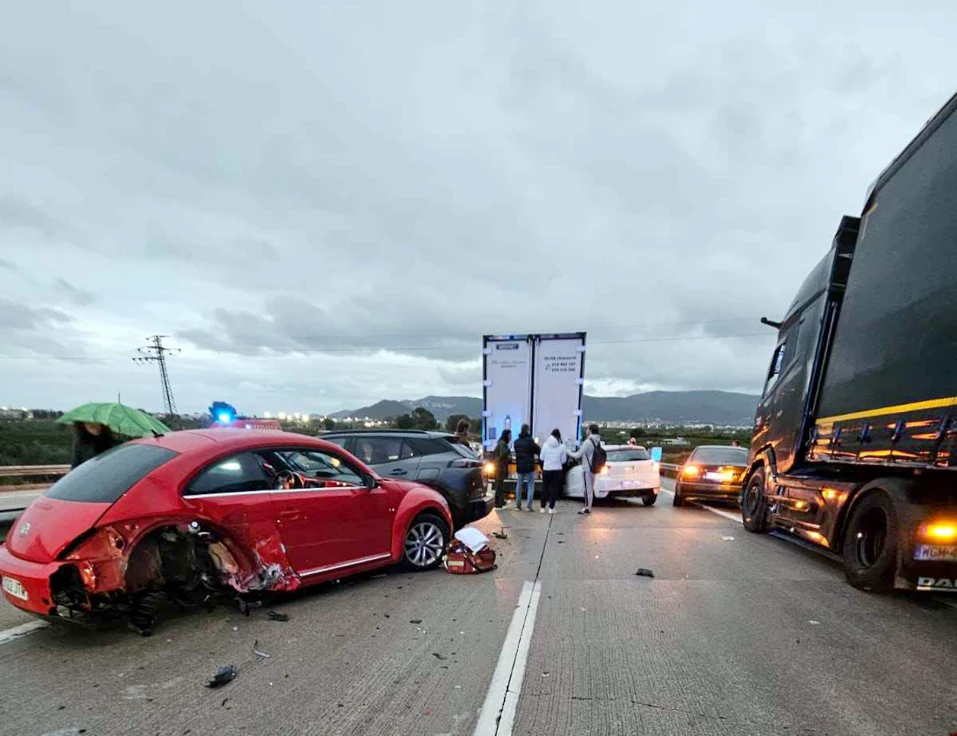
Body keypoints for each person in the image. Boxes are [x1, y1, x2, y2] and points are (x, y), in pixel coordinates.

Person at [568, 424, 602, 515]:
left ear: (590, 431)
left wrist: (567, 451)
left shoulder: (588, 442)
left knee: (587, 488)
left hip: (587, 467)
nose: (586, 431)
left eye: (587, 429)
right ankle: (588, 506)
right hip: (594, 467)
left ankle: (587, 507)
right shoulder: (598, 441)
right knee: (590, 487)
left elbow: (577, 455)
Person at [513, 424, 541, 511]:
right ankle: (529, 506)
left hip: (520, 466)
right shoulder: (530, 441)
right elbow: (538, 450)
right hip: (529, 467)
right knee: (530, 485)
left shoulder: (516, 442)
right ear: (528, 430)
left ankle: (518, 505)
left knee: (519, 485)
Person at [539, 428, 567, 514]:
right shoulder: (562, 446)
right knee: (554, 489)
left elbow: (541, 458)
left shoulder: (545, 445)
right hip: (557, 470)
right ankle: (551, 508)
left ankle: (542, 508)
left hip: (546, 469)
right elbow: (563, 460)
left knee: (545, 488)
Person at [492, 429, 512, 509]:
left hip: (498, 466)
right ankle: (498, 503)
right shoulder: (503, 444)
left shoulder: (500, 443)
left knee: (499, 484)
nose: (511, 437)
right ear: (506, 435)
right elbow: (503, 454)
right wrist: (508, 449)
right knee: (499, 485)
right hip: (500, 467)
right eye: (510, 435)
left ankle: (501, 501)